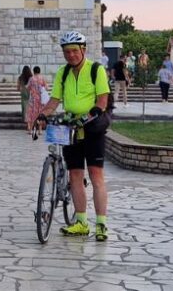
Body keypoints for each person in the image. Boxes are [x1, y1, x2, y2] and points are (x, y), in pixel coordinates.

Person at [34, 30, 112, 241]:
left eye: (74, 51)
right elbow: (54, 101)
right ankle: (81, 222)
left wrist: (88, 116)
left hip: (92, 128)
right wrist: (41, 115)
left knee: (96, 175)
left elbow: (102, 102)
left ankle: (102, 224)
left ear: (83, 50)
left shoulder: (96, 70)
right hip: (70, 129)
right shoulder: (63, 72)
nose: (71, 55)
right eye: (67, 52)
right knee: (75, 175)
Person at [26, 66, 50, 138]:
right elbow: (46, 87)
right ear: (39, 71)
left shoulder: (31, 79)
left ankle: (30, 130)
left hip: (33, 99)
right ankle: (40, 130)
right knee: (40, 114)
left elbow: (28, 87)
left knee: (31, 113)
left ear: (33, 71)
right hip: (40, 100)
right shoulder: (42, 78)